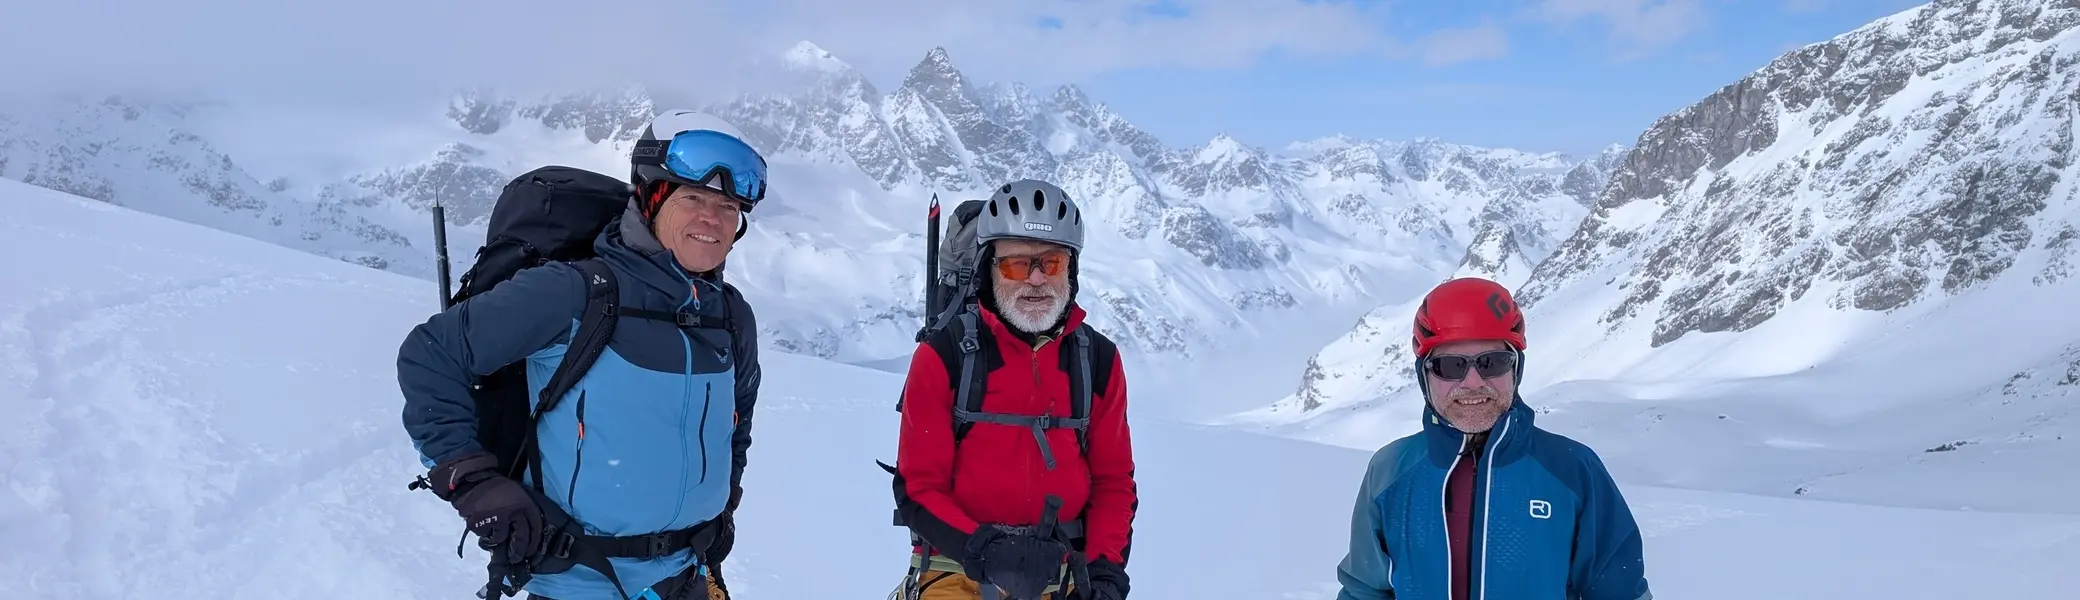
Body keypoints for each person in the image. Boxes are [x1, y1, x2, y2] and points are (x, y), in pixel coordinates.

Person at [398, 109, 766, 600]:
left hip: (686, 577)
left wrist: (724, 501)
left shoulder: (730, 317)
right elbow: (430, 354)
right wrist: (473, 481)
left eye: (727, 206)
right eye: (693, 197)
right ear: (652, 198)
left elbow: (735, 426)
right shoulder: (576, 293)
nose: (712, 219)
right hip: (578, 582)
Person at [888, 180, 1137, 600]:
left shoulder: (1097, 361)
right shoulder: (945, 356)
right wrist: (986, 552)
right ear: (990, 266)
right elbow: (918, 488)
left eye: (1052, 263)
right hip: (956, 564)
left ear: (1070, 270)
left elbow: (1114, 482)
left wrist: (1105, 573)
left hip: (1064, 570)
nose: (1037, 280)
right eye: (1017, 264)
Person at [1335, 277, 1651, 600]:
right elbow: (1364, 593)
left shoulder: (1573, 472)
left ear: (1516, 368)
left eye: (1492, 362)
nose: (1473, 382)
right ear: (1424, 375)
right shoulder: (1390, 474)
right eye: (1450, 366)